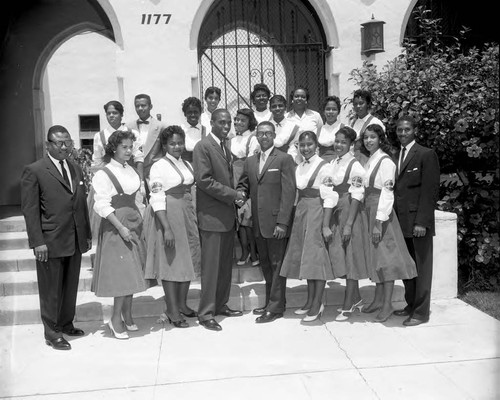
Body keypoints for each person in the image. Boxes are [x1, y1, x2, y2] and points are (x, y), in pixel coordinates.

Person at [20, 125, 92, 350]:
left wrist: (87, 235)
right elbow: (30, 210)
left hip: (75, 238)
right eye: (59, 143)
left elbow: (80, 204)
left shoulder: (75, 168)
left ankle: (65, 323)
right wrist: (37, 241)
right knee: (51, 289)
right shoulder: (35, 170)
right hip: (50, 241)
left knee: (70, 285)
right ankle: (51, 332)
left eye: (67, 142)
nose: (64, 147)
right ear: (48, 145)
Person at [237, 121, 296, 323]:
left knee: (277, 264)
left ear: (274, 135)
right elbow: (243, 184)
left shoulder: (284, 159)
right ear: (255, 135)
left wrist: (282, 222)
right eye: (260, 134)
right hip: (258, 223)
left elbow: (289, 193)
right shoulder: (250, 161)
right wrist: (240, 195)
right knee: (266, 265)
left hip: (276, 223)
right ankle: (272, 302)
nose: (264, 137)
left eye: (268, 134)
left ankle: (276, 307)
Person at [192, 108, 246, 331]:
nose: (226, 126)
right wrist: (234, 195)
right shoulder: (203, 146)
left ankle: (221, 304)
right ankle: (206, 313)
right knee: (212, 269)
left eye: (228, 122)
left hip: (226, 217)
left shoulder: (225, 146)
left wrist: (239, 192)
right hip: (212, 217)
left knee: (225, 267)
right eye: (221, 122)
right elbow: (204, 180)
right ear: (212, 122)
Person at [91, 130, 147, 339]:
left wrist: (138, 221)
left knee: (132, 272)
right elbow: (101, 205)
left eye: (130, 146)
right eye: (124, 147)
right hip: (116, 226)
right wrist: (121, 228)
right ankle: (115, 320)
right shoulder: (103, 173)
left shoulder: (131, 170)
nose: (128, 150)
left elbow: (138, 198)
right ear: (114, 148)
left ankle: (127, 314)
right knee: (123, 274)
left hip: (133, 223)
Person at [143, 125, 200, 328]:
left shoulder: (186, 163)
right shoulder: (159, 166)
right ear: (165, 145)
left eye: (180, 142)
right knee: (171, 262)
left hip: (186, 213)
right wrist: (166, 227)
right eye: (172, 143)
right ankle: (172, 310)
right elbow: (156, 196)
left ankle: (183, 305)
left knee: (187, 260)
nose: (177, 146)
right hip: (169, 214)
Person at [359, 124, 417, 323]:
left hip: (380, 214)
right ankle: (377, 299)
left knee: (387, 259)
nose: (368, 141)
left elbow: (387, 192)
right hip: (368, 210)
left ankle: (387, 304)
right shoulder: (369, 160)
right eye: (366, 137)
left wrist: (378, 222)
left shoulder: (386, 162)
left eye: (372, 137)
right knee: (377, 258)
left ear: (380, 138)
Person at [280, 131, 338, 322]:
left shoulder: (324, 167)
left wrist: (325, 225)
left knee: (316, 258)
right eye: (302, 145)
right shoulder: (299, 167)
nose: (305, 148)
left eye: (309, 145)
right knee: (306, 257)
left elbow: (330, 197)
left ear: (316, 146)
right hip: (302, 211)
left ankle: (317, 304)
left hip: (316, 211)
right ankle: (310, 300)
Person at [393, 115, 440, 326]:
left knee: (421, 269)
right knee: (407, 267)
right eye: (399, 130)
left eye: (407, 130)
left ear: (415, 131)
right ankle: (410, 305)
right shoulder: (396, 155)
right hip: (400, 222)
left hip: (417, 223)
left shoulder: (425, 154)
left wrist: (422, 222)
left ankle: (421, 313)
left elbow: (429, 192)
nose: (403, 133)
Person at [320, 126, 369, 321]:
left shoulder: (355, 165)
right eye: (337, 141)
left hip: (350, 211)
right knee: (341, 254)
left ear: (351, 145)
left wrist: (349, 224)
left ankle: (348, 303)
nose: (339, 145)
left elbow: (357, 195)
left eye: (343, 142)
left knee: (350, 256)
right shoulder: (332, 163)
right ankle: (356, 298)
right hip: (335, 209)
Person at [88, 100, 145, 243]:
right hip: (111, 182)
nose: (112, 116)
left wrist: (141, 181)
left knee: (137, 214)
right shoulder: (99, 136)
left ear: (121, 115)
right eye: (109, 113)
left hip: (131, 181)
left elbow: (139, 158)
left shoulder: (133, 133)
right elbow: (97, 161)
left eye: (115, 113)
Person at [230, 108, 260, 266]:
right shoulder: (232, 140)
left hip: (245, 181)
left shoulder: (253, 139)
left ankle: (254, 252)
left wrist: (244, 188)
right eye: (236, 119)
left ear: (250, 122)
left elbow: (251, 164)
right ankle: (244, 250)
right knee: (238, 219)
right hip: (232, 181)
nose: (238, 123)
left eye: (242, 120)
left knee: (248, 217)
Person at [126, 93, 167, 185]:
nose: (140, 108)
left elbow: (166, 152)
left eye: (143, 105)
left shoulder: (161, 126)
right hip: (134, 173)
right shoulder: (128, 127)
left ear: (150, 106)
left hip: (155, 173)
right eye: (137, 106)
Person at [349, 89, 385, 166]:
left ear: (368, 104)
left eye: (361, 103)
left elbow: (383, 145)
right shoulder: (353, 123)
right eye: (355, 104)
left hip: (370, 162)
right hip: (355, 162)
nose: (358, 106)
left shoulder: (375, 122)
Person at [268, 94, 300, 159]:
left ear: (285, 107)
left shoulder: (293, 127)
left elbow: (293, 149)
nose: (277, 108)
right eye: (274, 106)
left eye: (280, 106)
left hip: (287, 160)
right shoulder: (266, 126)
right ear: (270, 109)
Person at [317, 95, 344, 162]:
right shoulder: (318, 131)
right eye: (328, 109)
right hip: (322, 166)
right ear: (323, 111)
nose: (331, 112)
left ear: (338, 112)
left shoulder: (344, 129)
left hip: (339, 165)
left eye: (334, 109)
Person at [180, 97, 206, 163]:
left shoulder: (205, 130)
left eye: (196, 112)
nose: (193, 115)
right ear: (185, 114)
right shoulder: (180, 130)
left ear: (200, 113)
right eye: (189, 112)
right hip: (185, 166)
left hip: (201, 166)